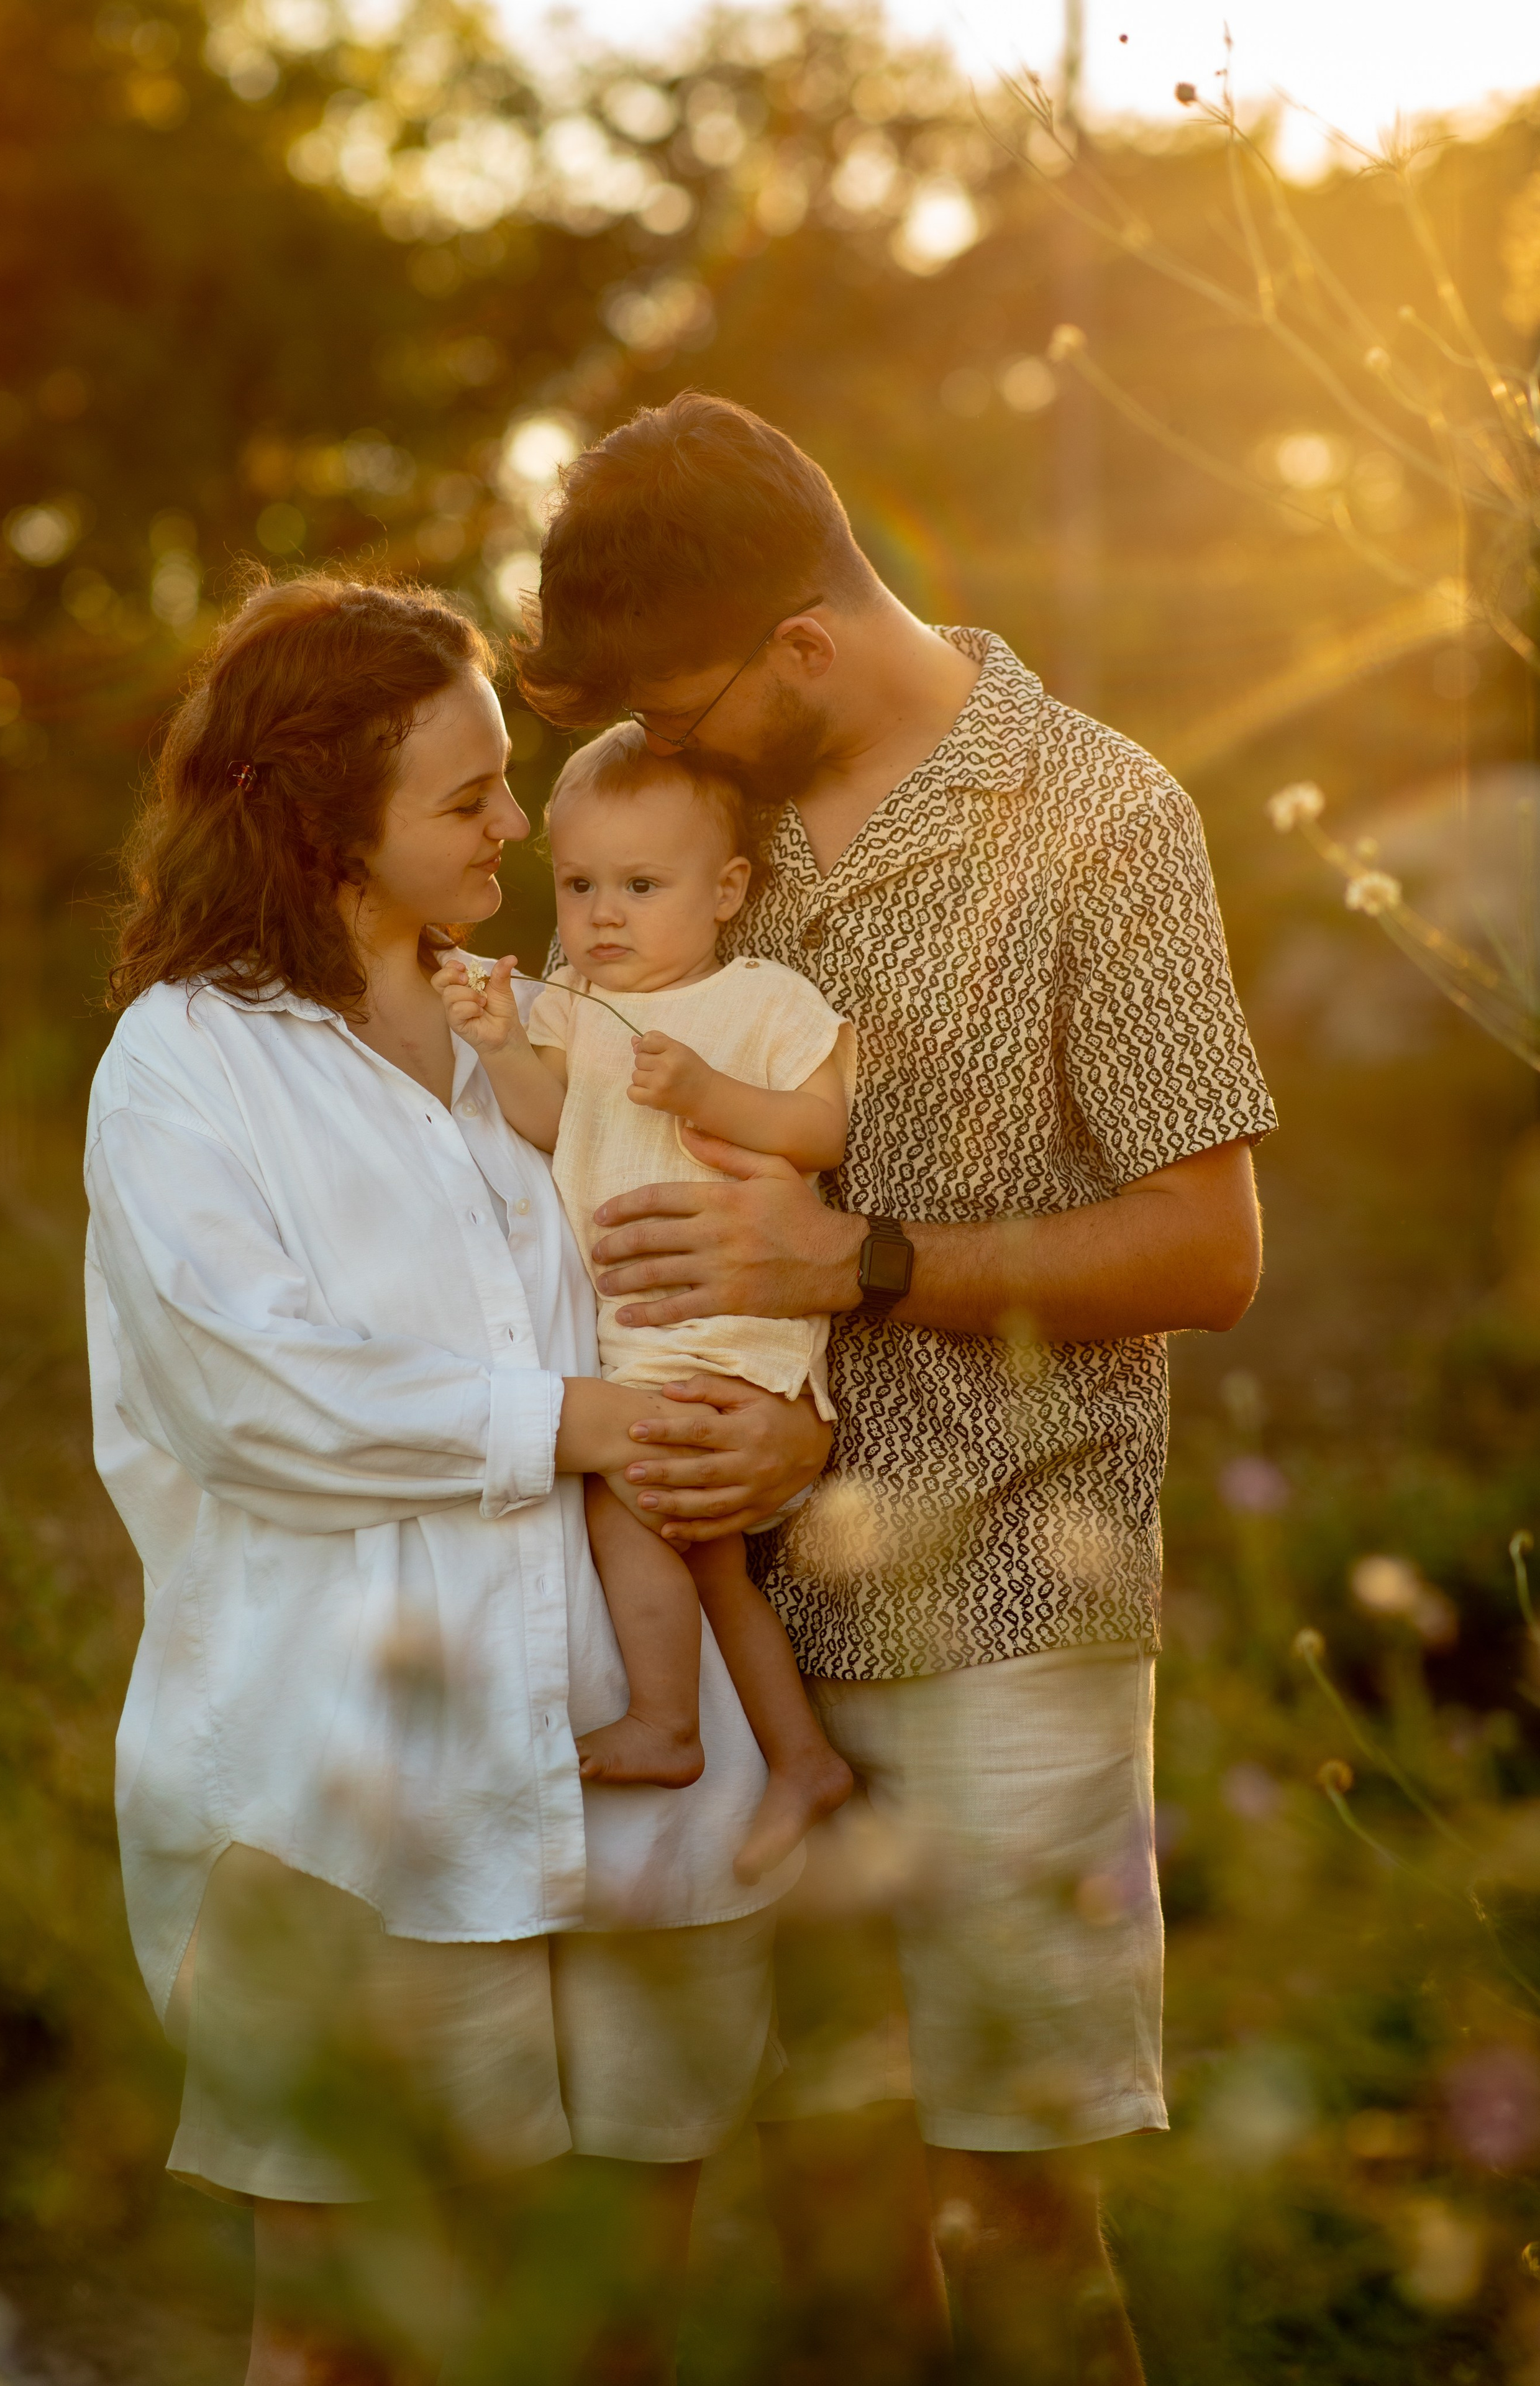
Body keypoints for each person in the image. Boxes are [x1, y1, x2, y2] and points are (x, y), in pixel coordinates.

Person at [514, 393, 1277, 2384]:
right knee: (834, 2221)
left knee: (1022, 2218)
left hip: (1011, 1607)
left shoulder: (1105, 820)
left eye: (684, 702)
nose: (657, 750)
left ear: (804, 647)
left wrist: (857, 1266)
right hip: (737, 1609)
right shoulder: (702, 826)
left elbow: (1210, 1246)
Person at [85, 571, 831, 2386]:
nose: (520, 818)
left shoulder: (566, 1017)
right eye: (469, 794)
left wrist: (790, 1435)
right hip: (356, 1792)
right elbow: (246, 1388)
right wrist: (568, 1422)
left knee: (616, 2326)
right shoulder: (190, 1065)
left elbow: (730, 1291)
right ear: (326, 812)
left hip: (640, 1773)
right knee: (347, 2341)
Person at [434, 720, 855, 1887]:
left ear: (726, 892)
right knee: (705, 1552)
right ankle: (800, 1756)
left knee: (634, 1510)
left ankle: (673, 1726)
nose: (604, 914)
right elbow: (545, 1118)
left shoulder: (761, 999)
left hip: (729, 1321)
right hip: (646, 1334)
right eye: (579, 885)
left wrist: (713, 1089)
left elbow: (819, 1127)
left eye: (640, 885)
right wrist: (498, 1038)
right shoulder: (572, 1001)